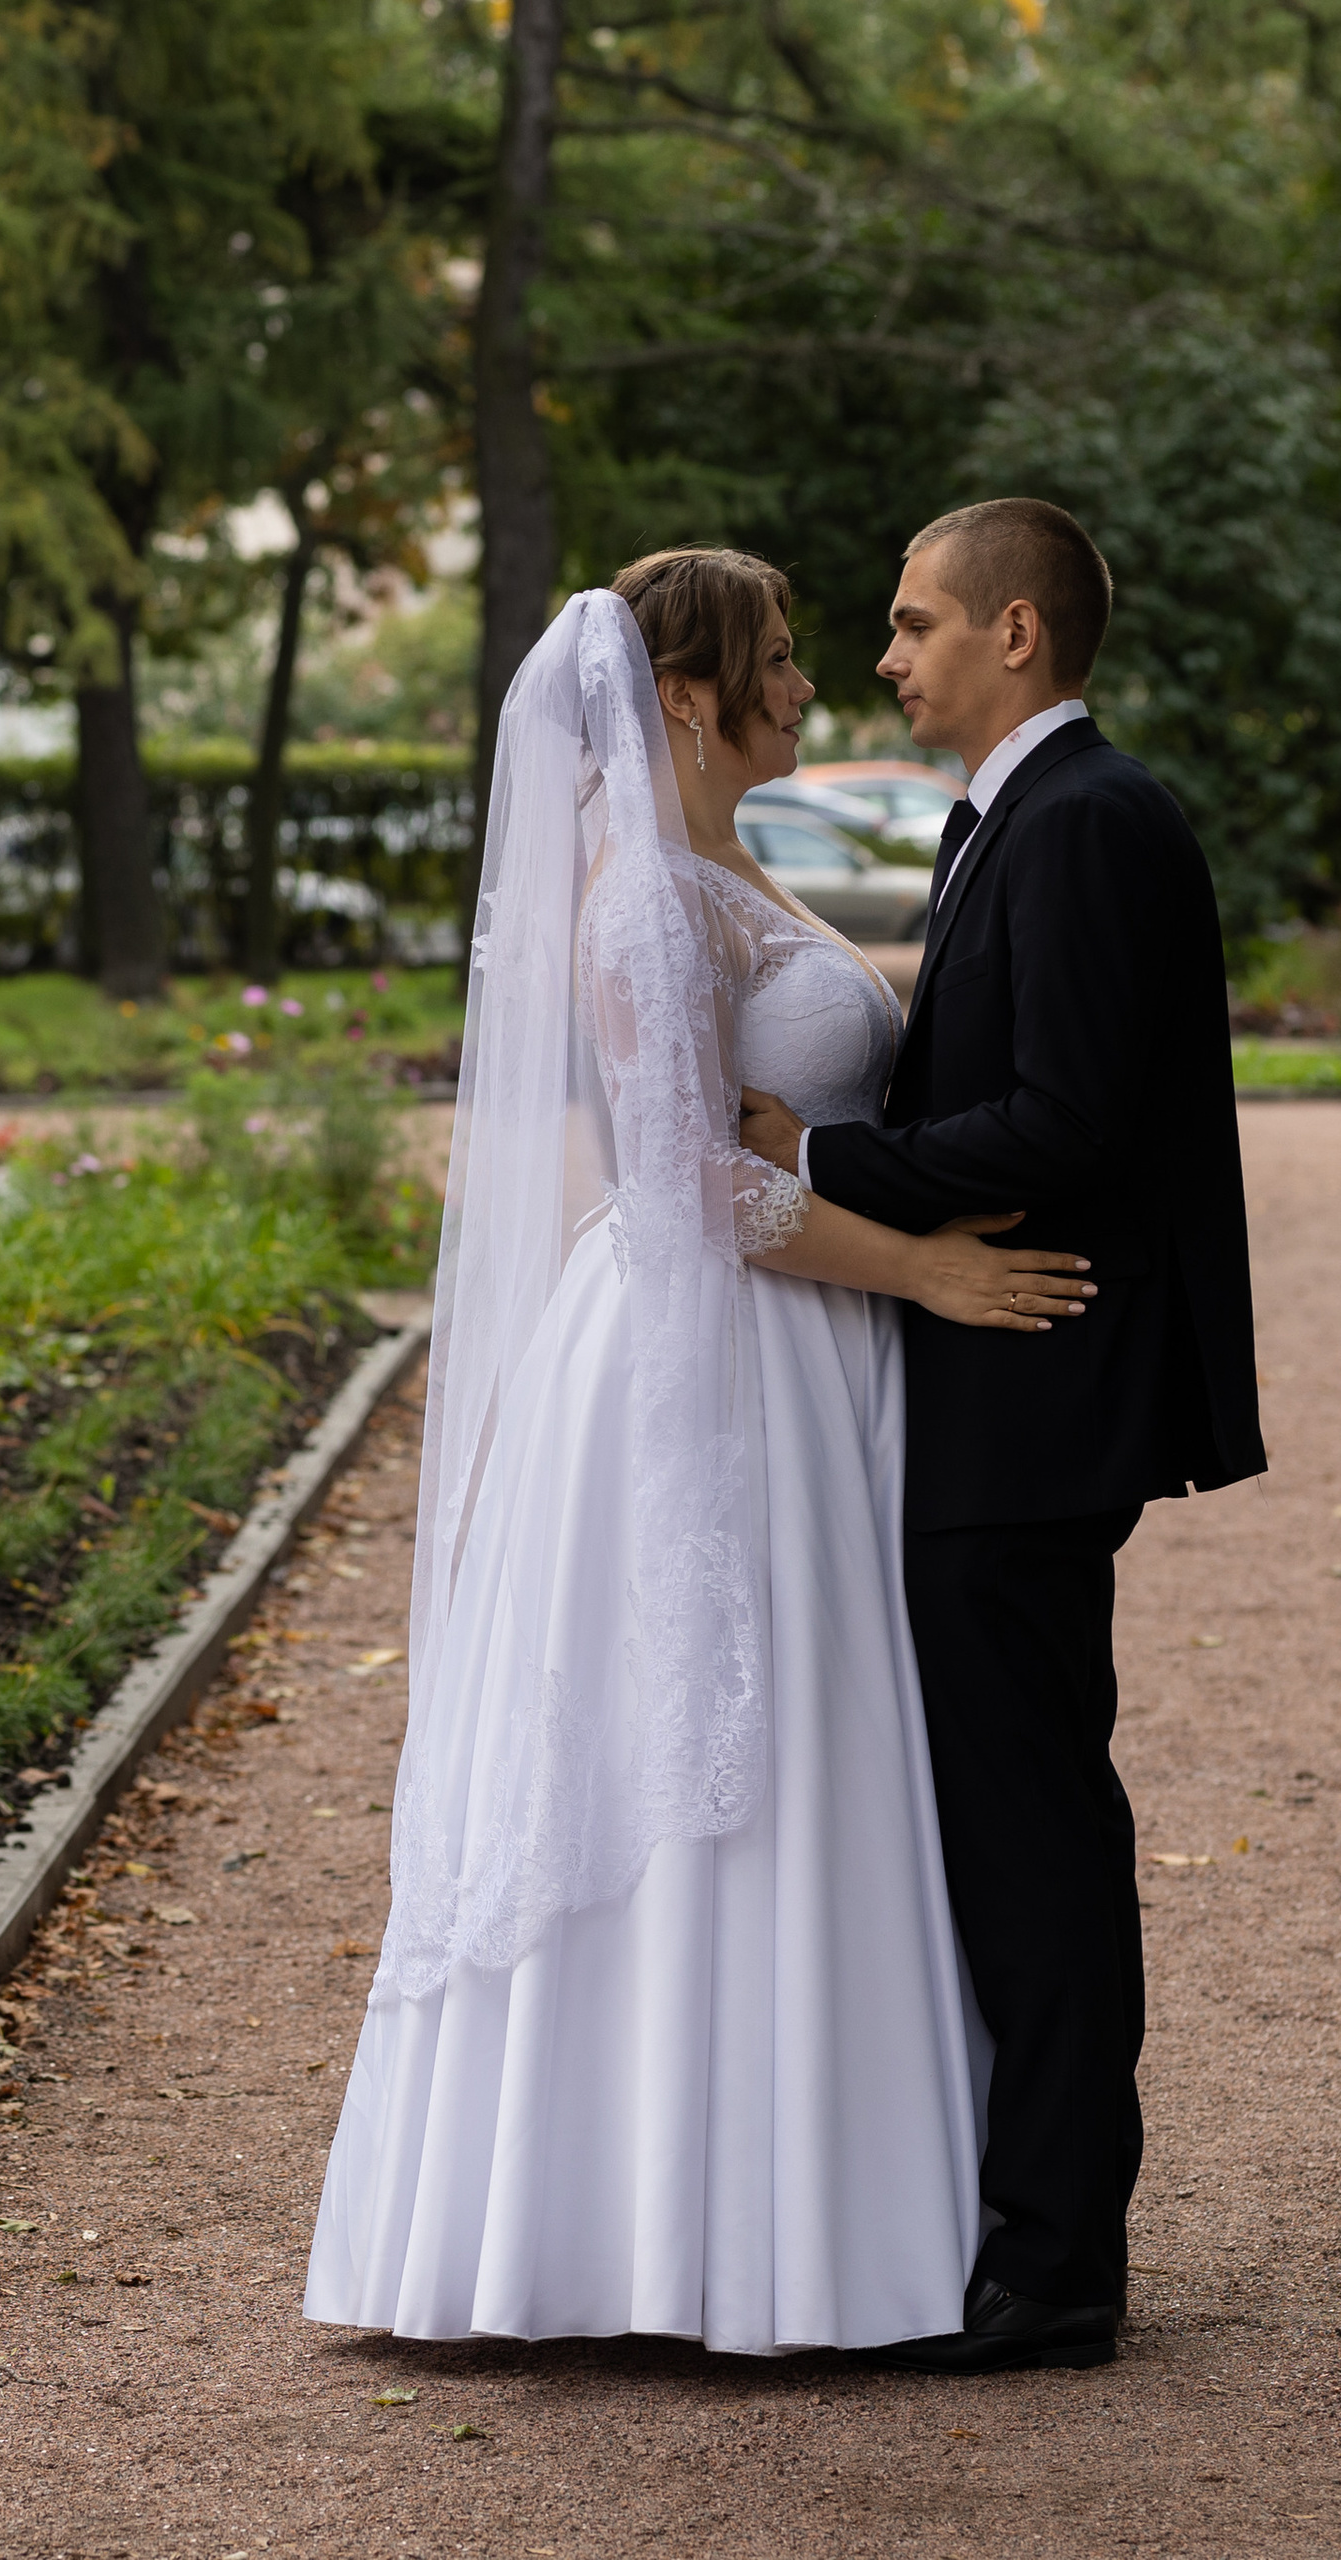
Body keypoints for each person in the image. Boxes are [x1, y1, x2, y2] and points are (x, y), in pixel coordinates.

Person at [302, 553, 1100, 2355]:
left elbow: (794, 1114)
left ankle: (823, 2203)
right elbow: (684, 1186)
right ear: (685, 695)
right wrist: (928, 1269)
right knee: (704, 1752)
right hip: (710, 1355)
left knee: (827, 1749)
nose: (815, 685)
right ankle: (662, 2230)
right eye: (782, 659)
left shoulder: (734, 874)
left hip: (812, 1357)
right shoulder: (639, 902)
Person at [738, 500, 1263, 2372]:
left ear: (1016, 632)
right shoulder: (1023, 820)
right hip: (1000, 1399)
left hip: (1037, 1398)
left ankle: (1055, 2263)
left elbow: (1068, 1124)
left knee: (1033, 1824)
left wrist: (826, 1160)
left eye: (912, 622)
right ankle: (1018, 2215)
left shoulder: (1088, 823)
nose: (887, 657)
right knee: (1007, 1809)